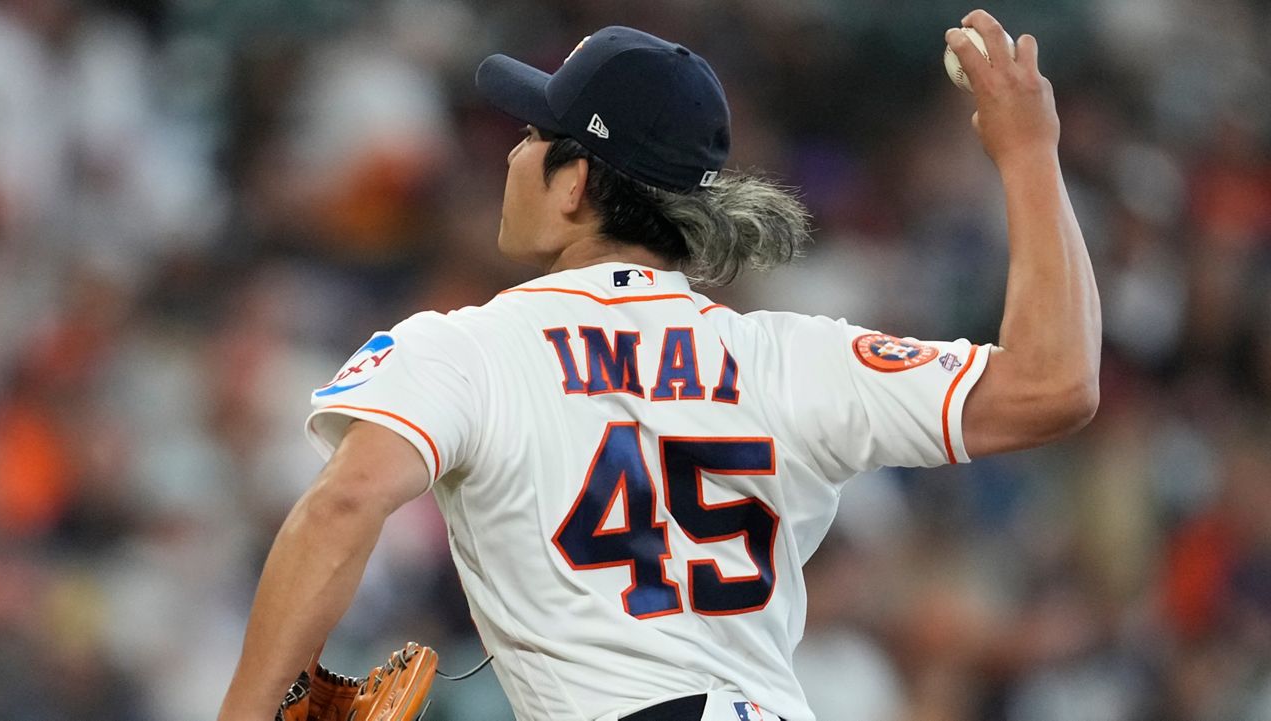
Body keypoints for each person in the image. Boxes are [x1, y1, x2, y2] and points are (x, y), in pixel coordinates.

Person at [218, 10, 1100, 721]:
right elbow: (1054, 385)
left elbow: (343, 502)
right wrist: (1029, 156)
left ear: (576, 182)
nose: (515, 155)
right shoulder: (788, 355)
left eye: (534, 134)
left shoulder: (467, 346)